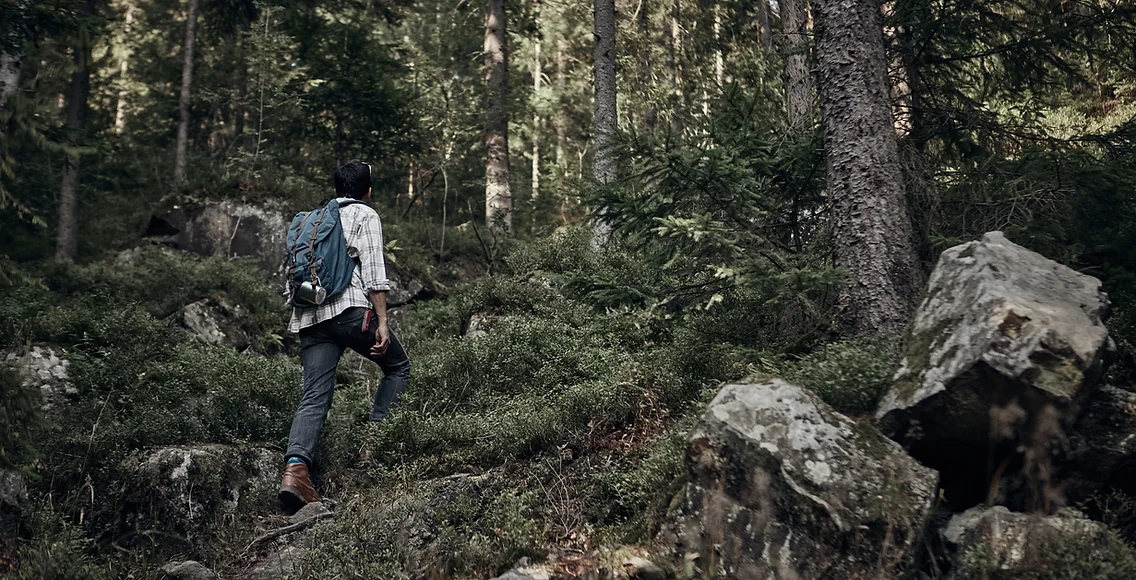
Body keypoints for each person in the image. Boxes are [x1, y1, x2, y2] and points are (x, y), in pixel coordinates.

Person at [278, 161, 411, 512]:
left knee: (314, 396)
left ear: (337, 188)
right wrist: (382, 321)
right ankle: (374, 445)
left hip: (310, 317)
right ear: (367, 190)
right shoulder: (365, 215)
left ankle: (295, 472)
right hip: (350, 313)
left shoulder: (315, 220)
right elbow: (374, 272)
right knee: (398, 368)